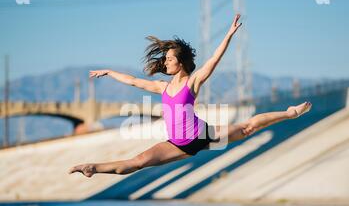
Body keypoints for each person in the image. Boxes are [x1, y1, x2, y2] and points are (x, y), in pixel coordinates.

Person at [69, 14, 312, 178]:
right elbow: (134, 81)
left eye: (170, 59)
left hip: (202, 135)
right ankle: (92, 167)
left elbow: (214, 60)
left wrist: (228, 35)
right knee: (138, 162)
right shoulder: (163, 88)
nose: (166, 62)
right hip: (176, 144)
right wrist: (110, 72)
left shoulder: (192, 82)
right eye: (165, 60)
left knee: (247, 127)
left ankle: (290, 113)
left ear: (181, 62)